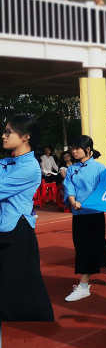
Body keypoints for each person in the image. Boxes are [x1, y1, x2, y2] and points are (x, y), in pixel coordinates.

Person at [0, 115, 55, 321]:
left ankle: (39, 320)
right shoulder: (7, 162)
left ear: (25, 137)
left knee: (22, 278)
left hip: (17, 230)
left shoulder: (29, 167)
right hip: (5, 227)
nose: (4, 136)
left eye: (8, 132)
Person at [63, 136, 106, 302]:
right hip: (78, 213)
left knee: (90, 246)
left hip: (95, 212)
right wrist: (73, 201)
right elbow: (69, 188)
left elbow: (104, 189)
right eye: (72, 148)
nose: (73, 151)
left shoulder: (99, 168)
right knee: (86, 244)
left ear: (88, 149)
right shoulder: (71, 169)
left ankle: (83, 286)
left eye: (77, 148)